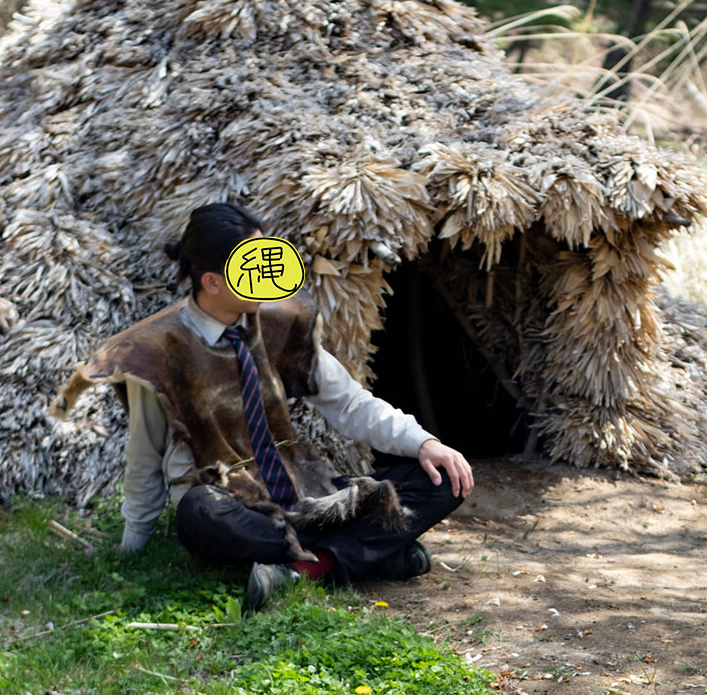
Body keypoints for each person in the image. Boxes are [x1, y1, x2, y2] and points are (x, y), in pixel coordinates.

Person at [56, 202, 474, 610]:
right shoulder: (156, 350)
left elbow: (349, 403)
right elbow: (145, 456)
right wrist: (135, 548)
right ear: (212, 281)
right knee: (201, 512)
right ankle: (373, 551)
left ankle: (311, 567)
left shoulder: (280, 325)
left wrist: (423, 443)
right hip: (230, 504)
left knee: (439, 479)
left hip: (302, 493)